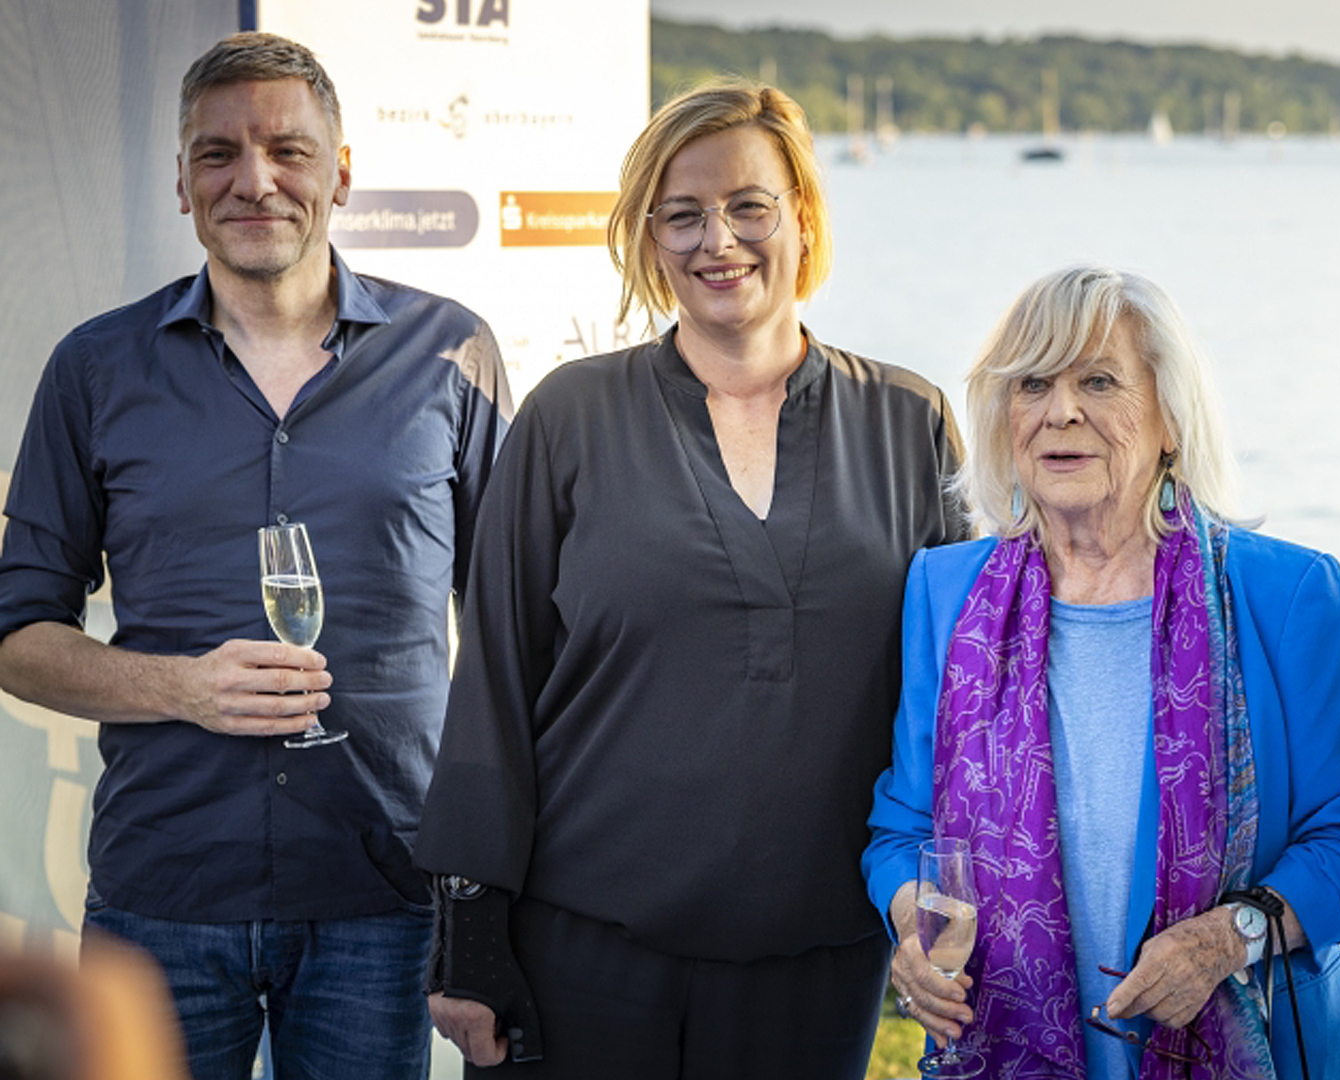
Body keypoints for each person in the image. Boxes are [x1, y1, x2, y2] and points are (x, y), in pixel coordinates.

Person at [412, 80, 968, 1078]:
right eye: (683, 213)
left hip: (820, 959)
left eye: (748, 204)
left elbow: (960, 698)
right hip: (582, 949)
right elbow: (493, 672)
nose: (719, 240)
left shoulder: (910, 424)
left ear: (800, 214)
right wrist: (470, 934)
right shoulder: (569, 416)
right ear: (648, 237)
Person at [0, 31, 512, 1080]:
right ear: (184, 184)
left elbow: (515, 635)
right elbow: (17, 636)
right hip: (164, 896)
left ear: (342, 174)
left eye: (287, 149)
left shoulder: (452, 353)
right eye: (218, 153)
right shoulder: (95, 368)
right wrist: (181, 688)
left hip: (384, 893)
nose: (255, 180)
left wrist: (498, 892)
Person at [865, 266, 1340, 1079]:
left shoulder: (1290, 595)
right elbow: (903, 831)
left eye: (1099, 380)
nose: (1061, 411)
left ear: (1170, 420)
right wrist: (915, 928)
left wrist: (1233, 936)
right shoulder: (944, 594)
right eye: (1034, 383)